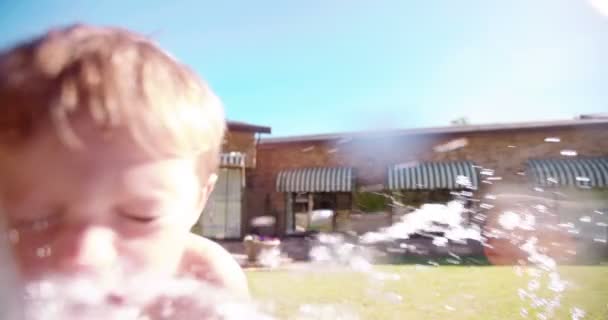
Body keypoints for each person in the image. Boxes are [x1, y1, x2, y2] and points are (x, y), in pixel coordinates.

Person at [0, 24, 249, 316]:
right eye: (36, 218)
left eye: (140, 216)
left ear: (199, 201)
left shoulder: (204, 284)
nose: (86, 257)